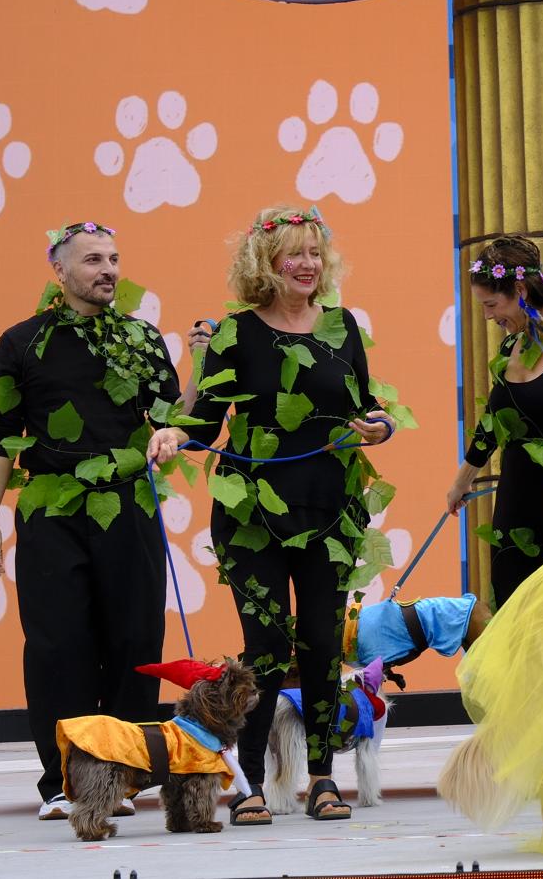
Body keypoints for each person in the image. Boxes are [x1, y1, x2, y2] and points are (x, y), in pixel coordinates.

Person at [163, 206, 393, 824]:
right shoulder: (237, 333)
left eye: (314, 252)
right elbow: (205, 422)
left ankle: (322, 778)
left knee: (321, 642)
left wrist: (381, 426)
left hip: (329, 509)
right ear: (265, 262)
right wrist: (170, 436)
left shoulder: (343, 326)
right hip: (251, 514)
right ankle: (252, 784)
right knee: (264, 647)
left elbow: (367, 406)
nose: (306, 263)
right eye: (293, 252)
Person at [0, 222, 183, 820]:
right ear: (59, 271)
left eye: (114, 259)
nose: (108, 270)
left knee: (133, 638)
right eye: (93, 259)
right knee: (57, 644)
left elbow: (174, 418)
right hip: (50, 508)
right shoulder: (22, 343)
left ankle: (120, 776)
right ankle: (64, 782)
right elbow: (0, 436)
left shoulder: (142, 340)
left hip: (127, 504)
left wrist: (188, 387)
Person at [445, 235, 543, 609]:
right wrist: (461, 483)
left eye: (491, 304)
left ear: (520, 289)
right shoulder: (510, 347)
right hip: (515, 499)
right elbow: (493, 422)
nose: (488, 316)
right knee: (510, 605)